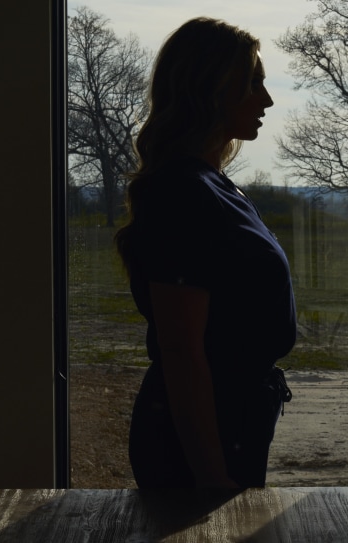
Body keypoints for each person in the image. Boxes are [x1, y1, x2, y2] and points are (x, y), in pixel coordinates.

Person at [115, 17, 296, 489]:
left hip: (233, 422)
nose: (267, 99)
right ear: (212, 89)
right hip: (200, 440)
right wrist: (212, 479)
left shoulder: (214, 187)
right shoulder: (183, 194)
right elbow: (182, 353)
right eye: (253, 83)